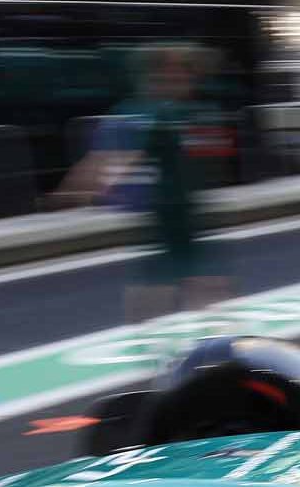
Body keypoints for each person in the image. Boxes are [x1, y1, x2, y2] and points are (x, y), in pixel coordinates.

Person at [53, 43, 228, 321]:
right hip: (167, 219)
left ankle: (187, 345)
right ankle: (168, 349)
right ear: (152, 78)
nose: (185, 82)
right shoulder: (148, 112)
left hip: (187, 216)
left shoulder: (178, 110)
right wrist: (83, 189)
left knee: (196, 286)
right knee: (178, 289)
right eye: (175, 77)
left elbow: (104, 157)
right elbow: (114, 158)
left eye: (187, 76)